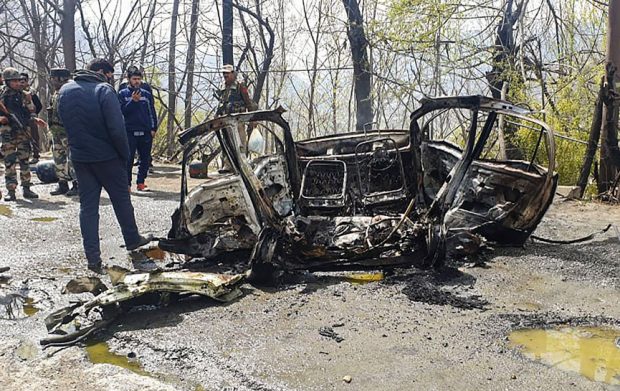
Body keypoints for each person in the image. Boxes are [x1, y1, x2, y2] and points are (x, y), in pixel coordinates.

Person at [57, 58, 152, 273]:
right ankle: (132, 239)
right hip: (107, 157)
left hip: (80, 158)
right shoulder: (104, 91)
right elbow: (117, 129)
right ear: (101, 71)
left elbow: (63, 122)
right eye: (110, 73)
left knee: (88, 208)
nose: (111, 77)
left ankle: (93, 259)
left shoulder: (65, 90)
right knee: (121, 201)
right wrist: (124, 155)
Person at [0, 67, 40, 201]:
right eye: (14, 81)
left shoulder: (25, 95)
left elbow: (31, 111)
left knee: (24, 160)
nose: (17, 83)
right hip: (7, 133)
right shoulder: (1, 95)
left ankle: (27, 188)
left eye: (18, 80)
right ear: (7, 82)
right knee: (9, 162)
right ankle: (11, 190)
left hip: (23, 132)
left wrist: (34, 118)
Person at [118, 67, 157, 191]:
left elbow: (152, 112)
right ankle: (127, 184)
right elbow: (121, 112)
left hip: (145, 131)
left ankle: (141, 183)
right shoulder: (122, 94)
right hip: (129, 131)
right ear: (129, 79)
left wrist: (153, 128)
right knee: (128, 159)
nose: (137, 81)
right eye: (134, 79)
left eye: (139, 79)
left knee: (145, 159)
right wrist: (133, 102)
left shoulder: (146, 94)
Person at [215, 64, 258, 173]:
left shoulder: (240, 87)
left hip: (238, 121)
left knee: (240, 144)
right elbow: (221, 104)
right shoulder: (222, 87)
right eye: (224, 73)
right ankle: (228, 166)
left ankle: (242, 166)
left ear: (233, 74)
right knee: (227, 144)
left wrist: (253, 119)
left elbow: (249, 103)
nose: (225, 75)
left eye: (227, 73)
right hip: (226, 121)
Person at [48, 68, 78, 196]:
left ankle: (77, 184)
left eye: (54, 78)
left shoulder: (70, 91)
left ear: (60, 78)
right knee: (58, 158)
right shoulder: (56, 92)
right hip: (56, 131)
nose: (52, 81)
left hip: (68, 131)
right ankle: (62, 184)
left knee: (72, 159)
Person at [19, 73, 43, 164]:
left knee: (34, 137)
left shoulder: (31, 92)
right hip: (21, 119)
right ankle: (24, 156)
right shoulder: (16, 92)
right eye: (20, 80)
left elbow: (39, 105)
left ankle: (36, 156)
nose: (22, 82)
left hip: (31, 119)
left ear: (27, 81)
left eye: (24, 80)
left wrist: (34, 114)